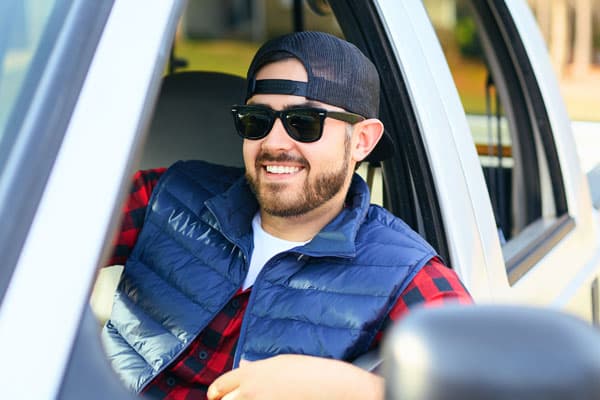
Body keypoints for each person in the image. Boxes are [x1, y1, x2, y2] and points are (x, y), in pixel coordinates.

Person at [103, 31, 472, 400]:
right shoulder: (164, 195)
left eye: (304, 122)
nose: (275, 143)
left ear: (362, 140)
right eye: (257, 120)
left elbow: (478, 380)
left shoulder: (402, 270)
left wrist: (358, 389)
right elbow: (52, 238)